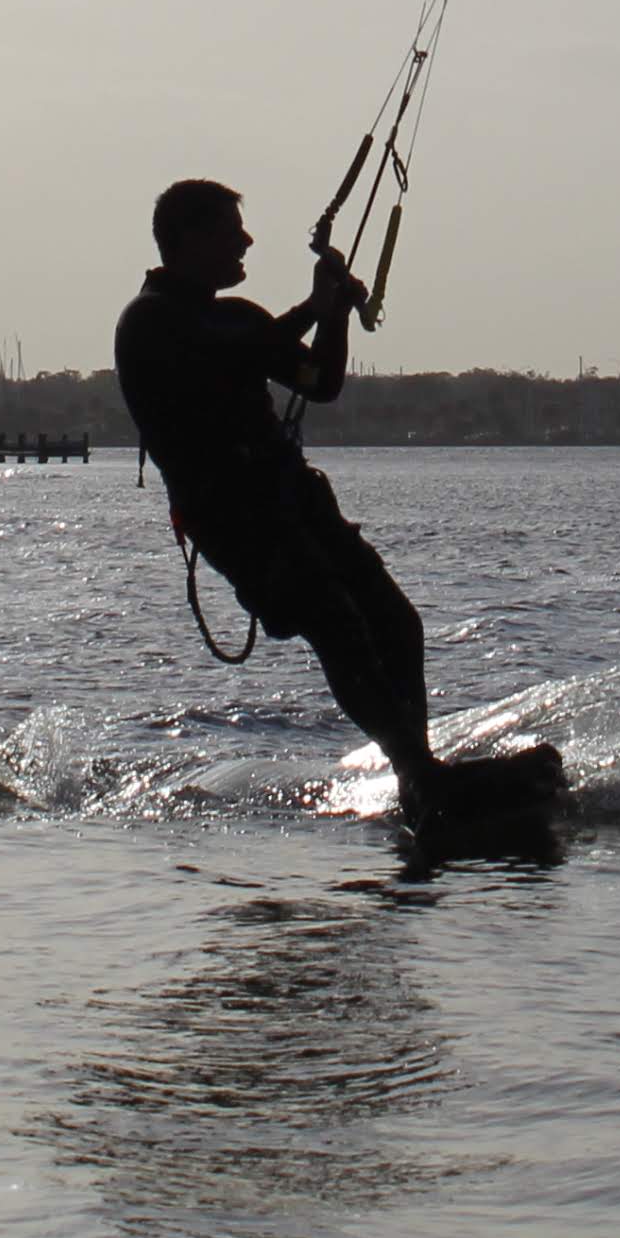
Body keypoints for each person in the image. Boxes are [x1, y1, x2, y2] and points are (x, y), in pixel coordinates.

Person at [112, 175, 474, 817]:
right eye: (231, 230)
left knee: (397, 623)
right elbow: (225, 361)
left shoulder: (237, 316)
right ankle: (420, 776)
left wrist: (333, 316)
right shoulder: (150, 320)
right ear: (190, 239)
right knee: (337, 626)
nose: (246, 241)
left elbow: (318, 380)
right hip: (234, 519)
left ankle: (419, 776)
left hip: (296, 502)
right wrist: (311, 307)